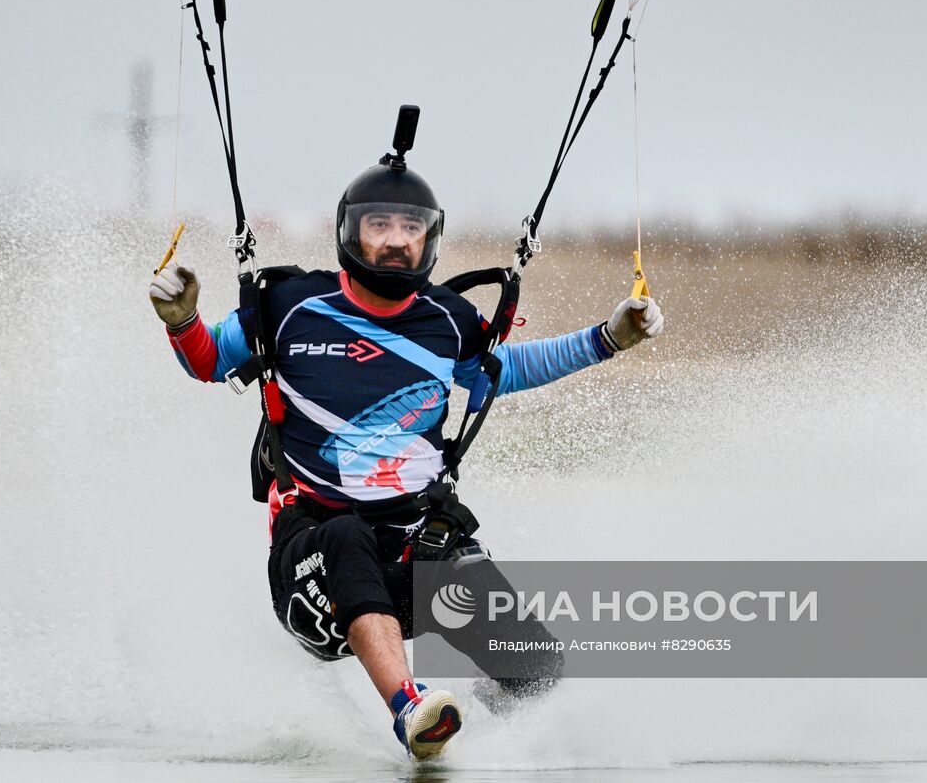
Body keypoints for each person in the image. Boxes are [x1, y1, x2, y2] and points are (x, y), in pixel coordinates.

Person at [148, 156, 663, 760]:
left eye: (410, 227)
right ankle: (409, 709)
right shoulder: (288, 305)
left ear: (430, 238)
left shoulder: (449, 319)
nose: (395, 240)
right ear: (350, 231)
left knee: (535, 666)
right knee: (345, 535)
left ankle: (497, 731)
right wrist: (182, 321)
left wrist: (607, 339)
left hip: (414, 550)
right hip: (312, 571)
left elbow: (508, 370)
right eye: (380, 225)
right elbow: (209, 361)